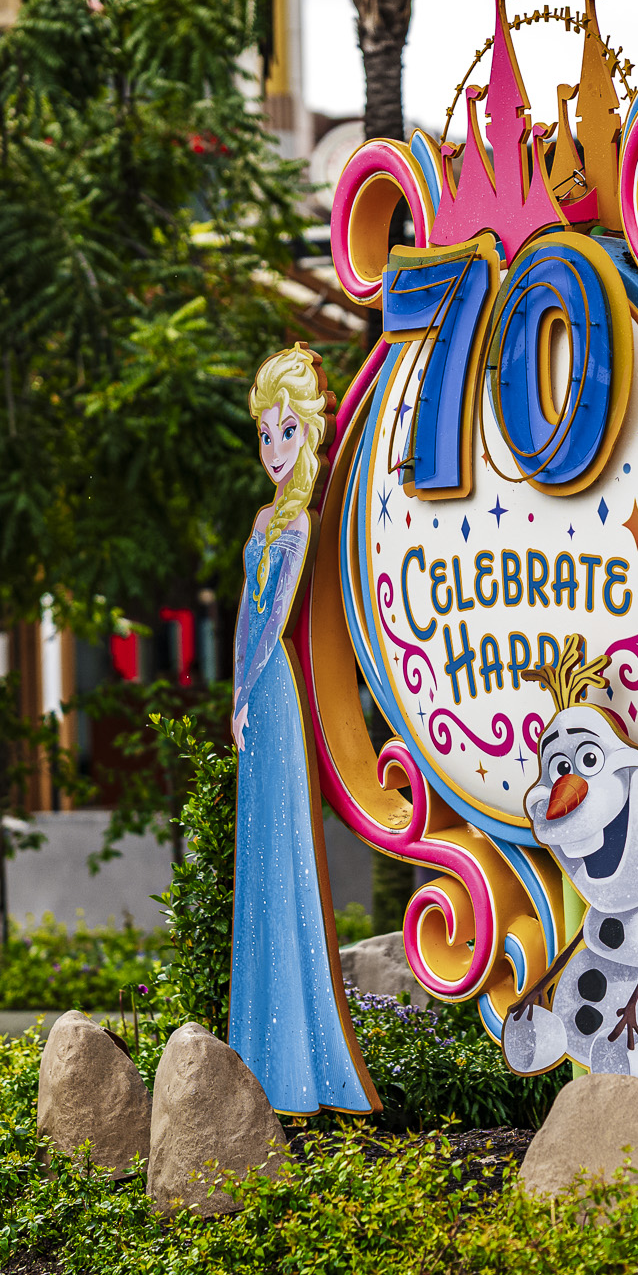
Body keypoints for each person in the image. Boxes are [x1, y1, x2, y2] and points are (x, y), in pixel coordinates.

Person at [226, 345, 377, 1117]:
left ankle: (297, 1059)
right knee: (261, 856)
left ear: (309, 435)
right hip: (254, 696)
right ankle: (259, 1053)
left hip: (276, 693)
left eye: (288, 433)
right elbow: (244, 619)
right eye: (264, 434)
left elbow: (277, 614)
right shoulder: (266, 517)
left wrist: (249, 691)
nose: (275, 450)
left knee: (287, 853)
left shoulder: (300, 525)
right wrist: (233, 695)